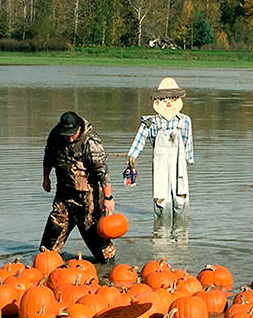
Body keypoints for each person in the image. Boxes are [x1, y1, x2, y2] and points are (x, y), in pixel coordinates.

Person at [40, 110, 116, 261]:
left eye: (72, 134)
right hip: (64, 196)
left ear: (79, 128)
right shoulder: (56, 135)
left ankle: (107, 269)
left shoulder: (91, 142)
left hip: (88, 200)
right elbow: (48, 157)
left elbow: (102, 172)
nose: (69, 137)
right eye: (66, 134)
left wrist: (108, 198)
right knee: (46, 250)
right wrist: (46, 178)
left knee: (102, 252)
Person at [126, 78, 194, 224]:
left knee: (180, 194)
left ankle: (181, 231)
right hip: (160, 163)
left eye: (173, 98)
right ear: (158, 100)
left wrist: (188, 159)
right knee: (161, 196)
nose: (168, 102)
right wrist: (131, 159)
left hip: (179, 163)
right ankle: (161, 233)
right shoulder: (151, 122)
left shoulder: (185, 120)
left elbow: (188, 141)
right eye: (164, 99)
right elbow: (139, 140)